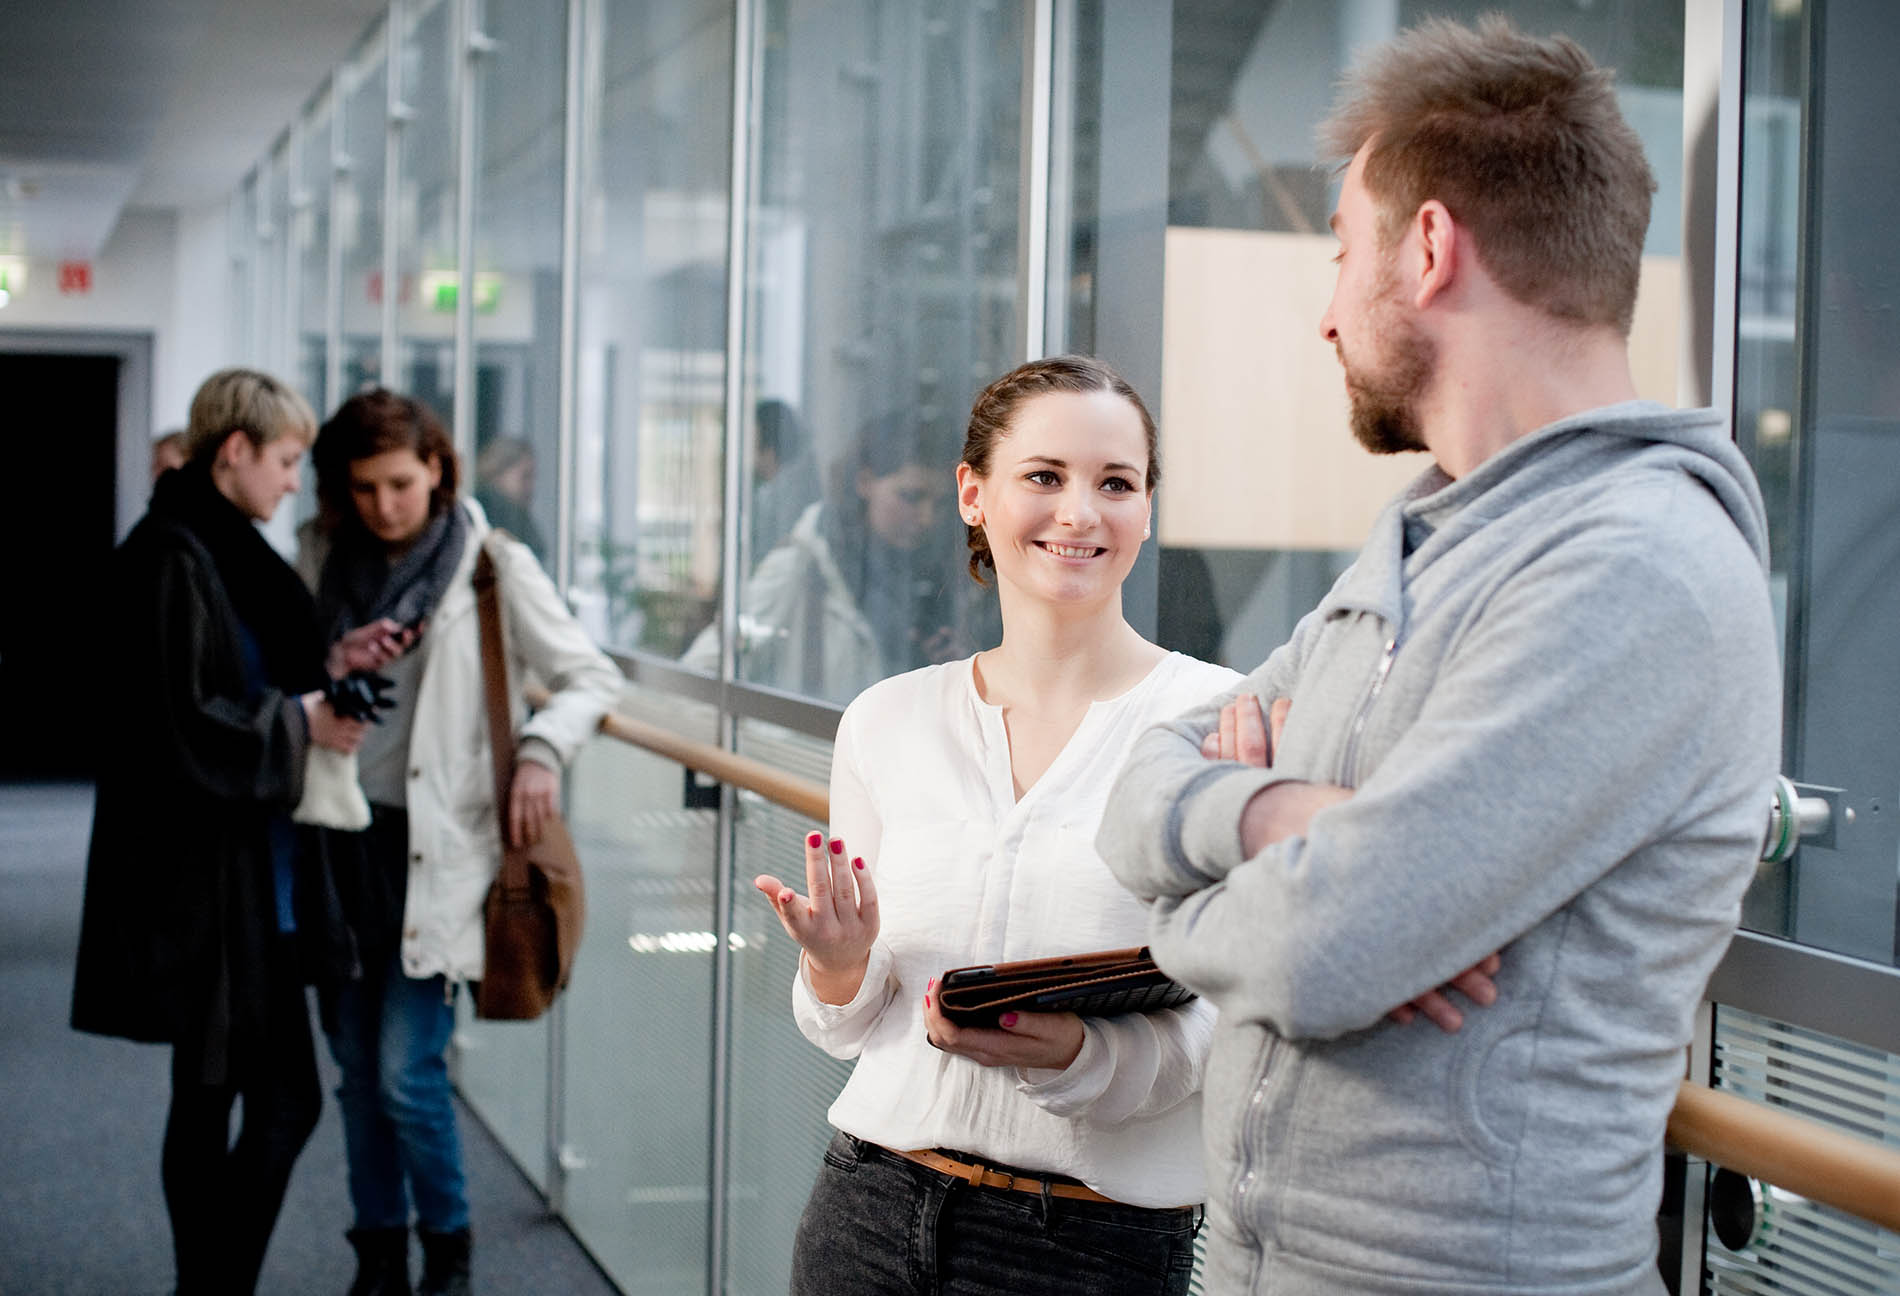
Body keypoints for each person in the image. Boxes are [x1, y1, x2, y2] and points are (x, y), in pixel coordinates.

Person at [1097, 18, 1783, 1295]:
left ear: (1426, 248)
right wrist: (1274, 813)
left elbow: (1320, 952)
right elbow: (1132, 794)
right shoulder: (1418, 541)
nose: (1322, 314)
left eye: (1341, 251)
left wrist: (1212, 895)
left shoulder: (1633, 570)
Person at [756, 355, 1239, 1296]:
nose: (1080, 513)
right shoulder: (887, 720)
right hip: (870, 1207)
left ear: (1146, 507)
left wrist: (1081, 1055)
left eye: (1116, 483)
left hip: (1095, 1245)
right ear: (973, 494)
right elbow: (848, 1023)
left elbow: (1230, 1011)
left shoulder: (1215, 721)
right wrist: (837, 963)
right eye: (1044, 477)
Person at [71, 368, 408, 1295]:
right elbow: (182, 721)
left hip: (240, 875)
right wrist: (306, 719)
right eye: (287, 460)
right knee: (277, 1097)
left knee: (214, 1090)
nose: (296, 480)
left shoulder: (215, 549)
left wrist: (330, 665)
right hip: (210, 882)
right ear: (236, 453)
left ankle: (205, 1286)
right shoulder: (174, 556)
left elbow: (241, 672)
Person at [306, 390, 621, 1296]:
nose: (385, 505)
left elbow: (586, 674)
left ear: (438, 469)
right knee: (357, 1076)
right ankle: (378, 1250)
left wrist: (540, 750)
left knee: (407, 1073)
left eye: (401, 482)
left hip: (438, 853)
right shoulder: (320, 558)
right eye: (364, 488)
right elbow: (286, 678)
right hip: (337, 841)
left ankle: (447, 1244)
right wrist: (329, 667)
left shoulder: (489, 564)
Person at [685, 412, 959, 705]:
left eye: (940, 503)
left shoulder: (928, 575)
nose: (927, 518)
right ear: (864, 482)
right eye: (911, 497)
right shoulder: (802, 564)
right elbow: (700, 671)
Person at [471, 436, 548, 565]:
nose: (531, 487)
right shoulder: (494, 515)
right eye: (525, 476)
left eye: (533, 478)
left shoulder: (518, 518)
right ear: (498, 473)